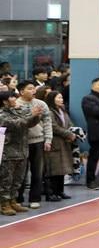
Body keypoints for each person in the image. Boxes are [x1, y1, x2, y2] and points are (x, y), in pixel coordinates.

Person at [0, 88, 46, 215]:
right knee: (6, 181)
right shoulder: (2, 114)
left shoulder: (17, 111)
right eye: (11, 97)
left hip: (22, 151)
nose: (14, 99)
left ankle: (13, 201)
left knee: (18, 180)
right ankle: (4, 204)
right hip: (8, 153)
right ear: (4, 101)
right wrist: (31, 115)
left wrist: (36, 116)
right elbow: (18, 123)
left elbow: (29, 123)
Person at [16, 80, 52, 208]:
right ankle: (18, 199)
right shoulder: (16, 104)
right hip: (21, 143)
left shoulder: (41, 104)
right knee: (21, 172)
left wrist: (48, 139)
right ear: (21, 92)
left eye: (33, 88)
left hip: (38, 141)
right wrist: (32, 115)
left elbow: (47, 122)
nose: (33, 91)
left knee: (37, 172)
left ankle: (34, 199)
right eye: (30, 88)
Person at [45, 93, 80, 201]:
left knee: (62, 169)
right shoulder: (49, 112)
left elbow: (69, 124)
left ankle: (60, 191)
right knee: (53, 170)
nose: (61, 99)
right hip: (55, 141)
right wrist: (68, 134)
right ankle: (51, 193)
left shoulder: (62, 110)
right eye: (59, 97)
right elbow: (53, 127)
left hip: (64, 142)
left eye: (62, 97)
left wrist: (73, 132)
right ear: (52, 99)